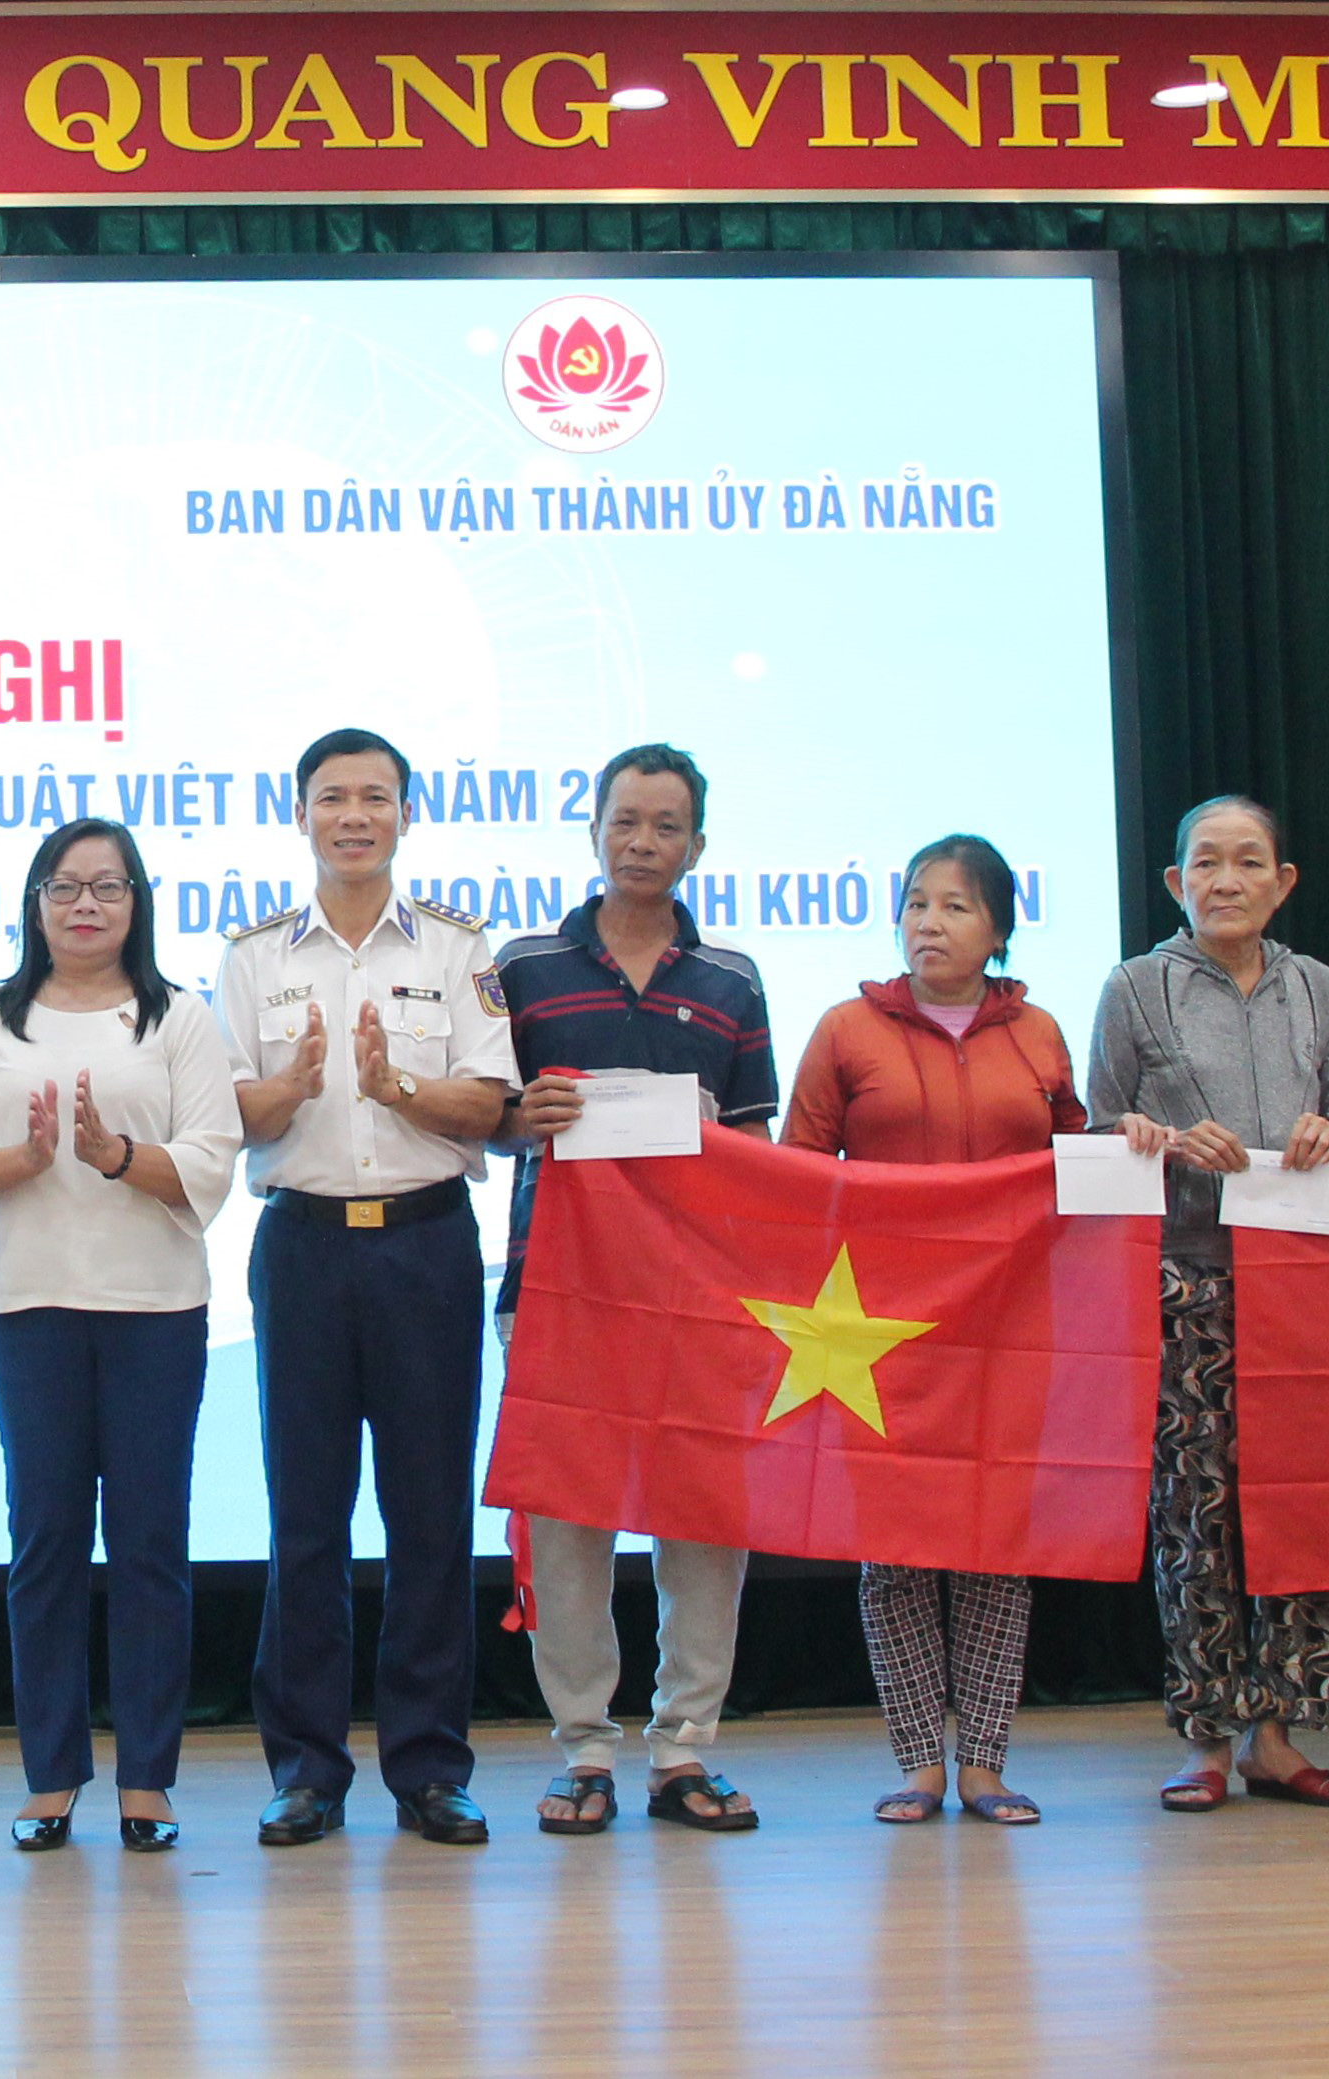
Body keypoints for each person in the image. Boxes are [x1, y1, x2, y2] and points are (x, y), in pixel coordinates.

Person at [216, 729, 533, 1850]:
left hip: (424, 1245)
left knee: (428, 1517)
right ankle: (304, 1768)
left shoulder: (456, 946)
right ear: (298, 813)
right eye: (331, 797)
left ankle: (429, 1767)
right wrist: (286, 1088)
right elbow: (223, 1119)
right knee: (304, 1518)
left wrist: (396, 1085)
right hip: (299, 1248)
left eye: (374, 797)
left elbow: (491, 1104)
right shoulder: (253, 954)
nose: (353, 815)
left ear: (405, 814)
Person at [0, 817, 243, 1853]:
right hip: (30, 1307)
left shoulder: (179, 1017)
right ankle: (51, 1772)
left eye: (107, 888)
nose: (85, 906)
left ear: (136, 903)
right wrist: (20, 1161)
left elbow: (208, 1162)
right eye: (64, 887)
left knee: (150, 1544)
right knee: (45, 1542)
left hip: (155, 1311)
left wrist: (113, 1155)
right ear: (33, 902)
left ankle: (147, 1777)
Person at [782, 833, 1085, 1829]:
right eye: (915, 901)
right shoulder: (844, 1029)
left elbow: (1071, 1168)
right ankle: (916, 1759)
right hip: (876, 1331)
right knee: (897, 1547)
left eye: (954, 905)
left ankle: (986, 1761)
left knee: (995, 1539)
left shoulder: (1037, 1032)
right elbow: (793, 1176)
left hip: (1006, 1322)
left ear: (996, 927)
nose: (928, 921)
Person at [485, 743, 757, 1837]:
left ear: (696, 843)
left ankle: (684, 1747)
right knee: (567, 1524)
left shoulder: (730, 979)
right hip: (555, 1286)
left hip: (696, 1296)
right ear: (591, 828)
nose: (642, 842)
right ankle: (584, 1751)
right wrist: (522, 1118)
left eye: (665, 825)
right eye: (625, 821)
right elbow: (487, 1114)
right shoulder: (523, 966)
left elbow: (758, 1147)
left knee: (701, 1525)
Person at [1087, 794, 1329, 1814]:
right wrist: (1149, 1137)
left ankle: (1280, 1734)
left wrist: (1328, 1136)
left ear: (1281, 881)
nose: (1226, 880)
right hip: (1186, 1276)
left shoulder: (1320, 990)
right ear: (1174, 882)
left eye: (1249, 862)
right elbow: (1093, 1132)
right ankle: (1205, 1734)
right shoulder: (1133, 988)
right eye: (1205, 863)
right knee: (1193, 1513)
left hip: (1304, 1281)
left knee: (1306, 1505)